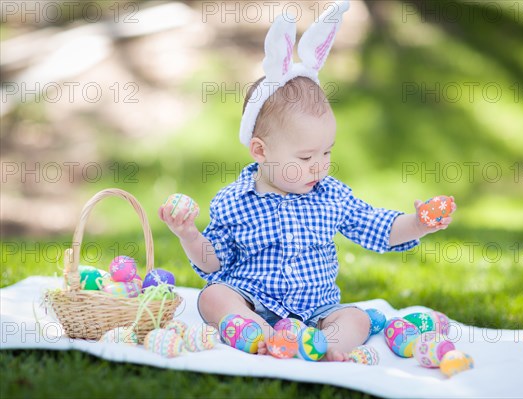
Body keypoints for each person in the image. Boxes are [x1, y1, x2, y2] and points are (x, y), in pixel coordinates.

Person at [159, 2, 455, 362]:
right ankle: (260, 333)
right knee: (213, 296)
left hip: (317, 311)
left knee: (357, 319)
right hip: (253, 298)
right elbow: (214, 263)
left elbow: (380, 228)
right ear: (260, 150)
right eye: (305, 157)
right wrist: (189, 234)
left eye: (327, 153)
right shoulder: (234, 201)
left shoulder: (332, 197)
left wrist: (419, 224)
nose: (319, 167)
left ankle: (325, 344)